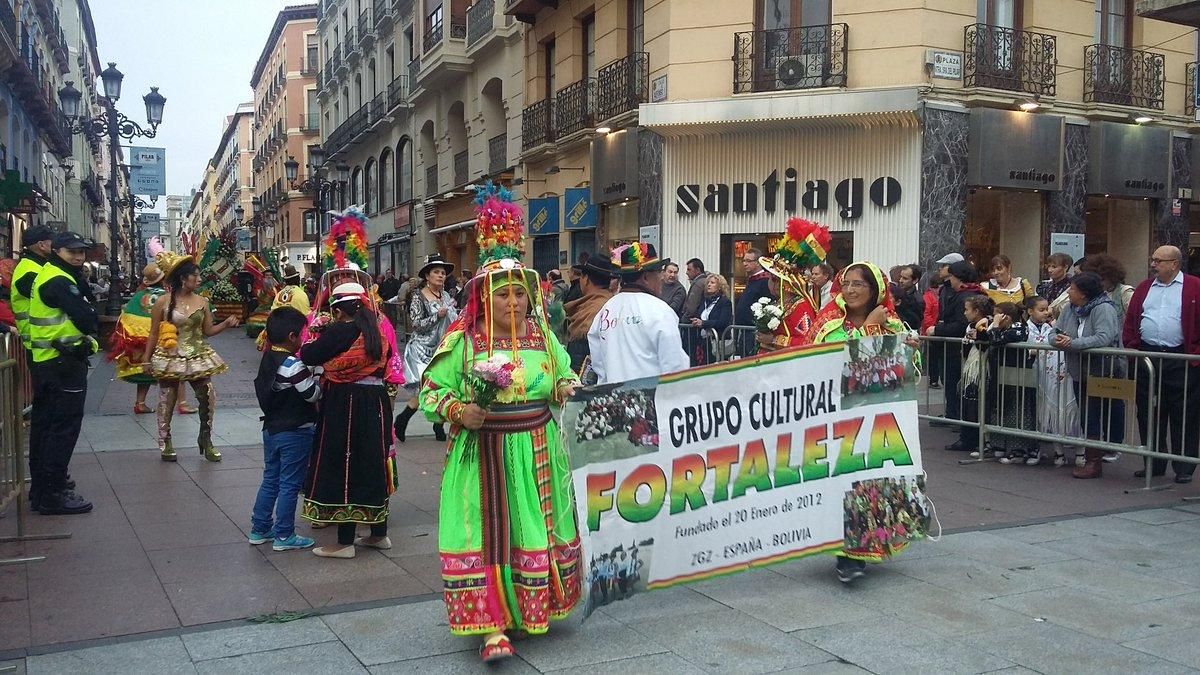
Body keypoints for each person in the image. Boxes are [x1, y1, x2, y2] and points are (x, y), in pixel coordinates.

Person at [419, 184, 581, 662]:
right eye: (502, 295)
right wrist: (458, 410)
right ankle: (491, 627)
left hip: (537, 449)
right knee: (486, 533)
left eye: (519, 294)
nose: (513, 303)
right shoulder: (465, 342)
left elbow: (563, 373)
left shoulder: (542, 335)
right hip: (482, 453)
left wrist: (566, 387)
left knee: (532, 529)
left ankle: (529, 610)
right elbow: (430, 390)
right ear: (484, 299)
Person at [801, 261, 921, 584]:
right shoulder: (827, 326)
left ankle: (863, 547)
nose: (851, 290)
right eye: (847, 283)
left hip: (878, 421)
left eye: (860, 285)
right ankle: (846, 553)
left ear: (876, 290)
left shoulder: (894, 325)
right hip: (837, 419)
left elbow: (911, 373)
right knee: (841, 483)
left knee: (871, 486)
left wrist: (910, 351)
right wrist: (868, 328)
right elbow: (817, 367)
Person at [300, 282, 396, 557]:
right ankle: (379, 533)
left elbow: (308, 354)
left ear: (338, 309)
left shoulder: (340, 332)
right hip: (376, 403)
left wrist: (317, 331)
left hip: (346, 403)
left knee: (344, 464)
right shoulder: (377, 333)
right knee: (372, 462)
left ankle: (344, 542)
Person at [27, 232, 99, 515]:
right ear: (56, 251)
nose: (79, 257)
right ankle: (54, 493)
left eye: (81, 252)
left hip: (47, 361)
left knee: (44, 427)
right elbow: (86, 318)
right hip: (63, 363)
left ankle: (42, 489)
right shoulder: (58, 280)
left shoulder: (48, 274)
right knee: (62, 428)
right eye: (72, 252)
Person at [144, 253, 240, 462]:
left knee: (207, 395)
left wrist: (225, 324)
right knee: (166, 400)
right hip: (170, 355)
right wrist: (146, 359)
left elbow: (207, 331)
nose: (198, 280)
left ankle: (206, 440)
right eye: (194, 276)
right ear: (182, 278)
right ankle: (165, 440)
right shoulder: (162, 302)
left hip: (197, 355)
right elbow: (153, 333)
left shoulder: (203, 302)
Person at [1122, 245, 1200, 484]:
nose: (1153, 264)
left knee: (1184, 414)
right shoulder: (1145, 287)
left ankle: (1184, 466)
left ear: (1174, 264)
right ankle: (1153, 463)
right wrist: (1133, 345)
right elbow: (1132, 319)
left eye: (1158, 261)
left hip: (1182, 358)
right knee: (1148, 412)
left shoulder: (1194, 286)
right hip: (1149, 357)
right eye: (1152, 260)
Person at [249, 307, 320, 552]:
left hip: (272, 429)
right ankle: (284, 534)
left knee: (270, 479)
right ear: (292, 337)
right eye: (301, 334)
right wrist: (318, 379)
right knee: (290, 483)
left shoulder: (268, 358)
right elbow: (312, 394)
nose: (303, 338)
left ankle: (259, 529)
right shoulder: (292, 364)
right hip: (296, 430)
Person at [1056, 272, 1126, 479]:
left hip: (1103, 370)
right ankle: (1092, 457)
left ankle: (1097, 459)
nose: (1069, 292)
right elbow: (1055, 331)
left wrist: (1073, 344)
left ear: (1084, 293)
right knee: (1087, 413)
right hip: (1079, 370)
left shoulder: (1104, 308)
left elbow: (1104, 337)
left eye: (1073, 289)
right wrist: (1057, 340)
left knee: (1097, 412)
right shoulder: (1070, 309)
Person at [588, 242, 689, 384]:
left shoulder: (606, 310)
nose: (661, 278)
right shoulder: (660, 311)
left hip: (614, 399)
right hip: (652, 400)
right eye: (658, 272)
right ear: (646, 277)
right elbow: (674, 366)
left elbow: (598, 363)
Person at [107, 262, 195, 415]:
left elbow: (125, 317)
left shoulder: (139, 295)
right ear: (163, 280)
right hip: (164, 339)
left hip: (141, 341)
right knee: (177, 369)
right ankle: (182, 403)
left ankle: (140, 403)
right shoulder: (165, 296)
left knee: (145, 374)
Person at [394, 253, 457, 442]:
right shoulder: (418, 297)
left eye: (443, 273)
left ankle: (438, 425)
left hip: (442, 349)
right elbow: (416, 324)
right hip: (421, 350)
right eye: (436, 272)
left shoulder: (446, 295)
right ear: (427, 276)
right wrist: (437, 316)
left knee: (444, 387)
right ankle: (402, 420)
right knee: (424, 389)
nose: (440, 276)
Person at [1079, 253, 1135, 463]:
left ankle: (1114, 442)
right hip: (1094, 357)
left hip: (1115, 353)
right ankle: (1096, 443)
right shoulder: (1089, 295)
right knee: (1093, 401)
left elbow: (1135, 317)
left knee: (1113, 400)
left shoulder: (1125, 293)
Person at [930, 260, 987, 452]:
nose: (950, 281)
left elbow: (960, 325)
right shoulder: (965, 294)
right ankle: (961, 423)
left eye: (952, 277)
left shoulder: (967, 296)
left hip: (965, 352)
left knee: (967, 391)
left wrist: (937, 329)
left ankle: (967, 432)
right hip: (961, 350)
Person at [757, 218, 830, 351]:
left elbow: (807, 341)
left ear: (781, 283)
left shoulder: (800, 306)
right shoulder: (781, 302)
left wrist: (773, 340)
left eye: (772, 278)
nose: (768, 281)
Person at [1026, 296, 1082, 468]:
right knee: (1049, 414)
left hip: (1067, 376)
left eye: (1047, 309)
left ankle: (1081, 452)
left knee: (1073, 412)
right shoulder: (1031, 329)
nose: (1047, 313)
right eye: (1041, 310)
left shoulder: (1061, 327)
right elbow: (1031, 348)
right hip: (1045, 378)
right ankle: (1059, 452)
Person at [563, 255, 614, 376]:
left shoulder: (592, 310)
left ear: (585, 279)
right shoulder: (611, 303)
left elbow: (581, 355)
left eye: (581, 276)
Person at [11, 224, 55, 350]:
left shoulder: (37, 266)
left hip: (45, 339)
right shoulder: (30, 271)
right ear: (41, 245)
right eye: (52, 242)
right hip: (40, 341)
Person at [684, 273, 733, 364]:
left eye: (712, 283)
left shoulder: (725, 302)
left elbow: (723, 322)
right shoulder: (704, 301)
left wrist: (703, 323)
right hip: (702, 341)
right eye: (708, 283)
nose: (709, 285)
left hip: (716, 341)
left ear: (720, 286)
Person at [1037, 252, 1074, 318]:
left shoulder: (1073, 287)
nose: (1049, 270)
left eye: (1054, 267)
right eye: (1048, 266)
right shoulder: (1044, 286)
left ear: (1065, 267)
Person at [894, 264, 925, 331]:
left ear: (915, 280)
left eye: (905, 278)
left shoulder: (917, 300)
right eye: (901, 277)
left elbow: (914, 323)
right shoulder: (897, 293)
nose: (900, 280)